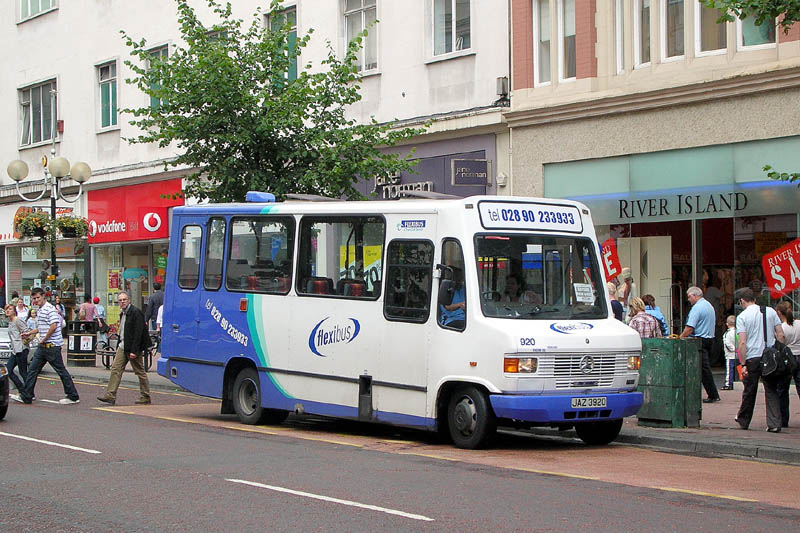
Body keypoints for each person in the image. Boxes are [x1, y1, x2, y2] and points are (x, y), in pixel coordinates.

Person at [12, 287, 80, 405]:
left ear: (43, 296)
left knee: (61, 371)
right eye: (34, 298)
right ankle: (27, 395)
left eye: (38, 297)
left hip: (51, 346)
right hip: (43, 347)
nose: (36, 300)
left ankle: (73, 396)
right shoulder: (40, 309)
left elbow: (53, 326)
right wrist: (30, 332)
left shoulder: (49, 309)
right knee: (33, 370)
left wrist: (44, 338)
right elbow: (43, 327)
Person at [734, 288, 786, 432]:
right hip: (769, 356)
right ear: (755, 299)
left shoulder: (742, 317)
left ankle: (744, 420)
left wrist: (743, 363)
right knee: (771, 389)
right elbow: (780, 334)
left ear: (742, 301)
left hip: (752, 357)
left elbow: (742, 342)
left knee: (750, 389)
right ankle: (774, 423)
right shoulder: (769, 311)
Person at [97, 291, 152, 406]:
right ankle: (110, 395)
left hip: (132, 347)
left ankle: (145, 396)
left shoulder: (136, 313)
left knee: (139, 371)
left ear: (129, 300)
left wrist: (135, 351)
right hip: (123, 346)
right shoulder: (123, 314)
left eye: (124, 300)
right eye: (120, 300)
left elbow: (139, 333)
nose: (122, 302)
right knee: (115, 369)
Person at [679, 286, 720, 403]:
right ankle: (712, 393)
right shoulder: (708, 305)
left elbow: (689, 328)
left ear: (695, 295)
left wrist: (680, 338)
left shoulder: (697, 308)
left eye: (689, 297)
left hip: (699, 340)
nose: (688, 300)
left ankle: (712, 394)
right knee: (704, 368)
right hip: (709, 339)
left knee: (703, 369)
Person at [775, 302, 800, 428]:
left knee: (782, 389)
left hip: (787, 359)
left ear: (779, 313)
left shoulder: (782, 328)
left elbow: (780, 343)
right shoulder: (799, 324)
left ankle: (783, 419)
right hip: (799, 355)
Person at [4, 304, 30, 392]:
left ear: (14, 311)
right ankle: (22, 389)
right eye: (6, 309)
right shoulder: (10, 322)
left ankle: (29, 393)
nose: (7, 311)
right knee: (8, 370)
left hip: (21, 349)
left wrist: (23, 339)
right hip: (15, 351)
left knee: (23, 372)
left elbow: (27, 332)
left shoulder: (18, 320)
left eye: (10, 309)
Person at [721, 315, 737, 391]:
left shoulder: (727, 334)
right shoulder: (737, 332)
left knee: (729, 370)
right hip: (738, 355)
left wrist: (733, 349)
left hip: (730, 355)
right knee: (737, 369)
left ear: (727, 324)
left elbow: (727, 343)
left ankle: (728, 384)